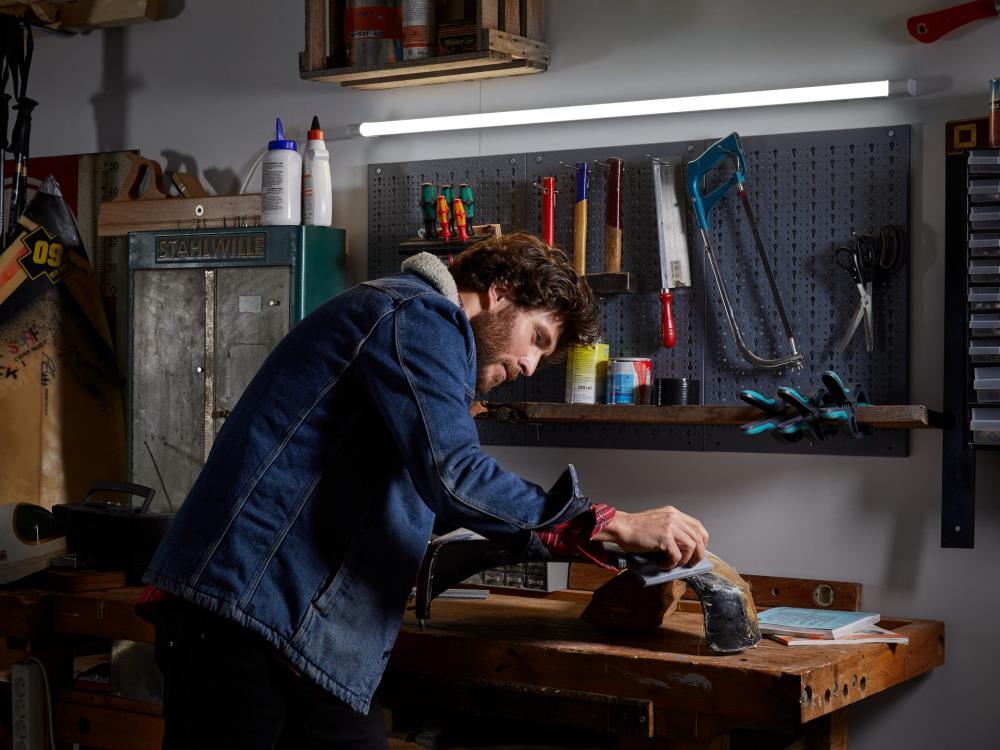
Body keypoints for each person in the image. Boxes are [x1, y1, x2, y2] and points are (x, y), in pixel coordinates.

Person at [140, 232, 709, 750]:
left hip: (291, 630)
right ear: (499, 291)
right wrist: (610, 521)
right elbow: (454, 476)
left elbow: (425, 498)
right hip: (244, 617)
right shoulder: (418, 313)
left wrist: (579, 540)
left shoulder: (410, 328)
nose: (531, 366)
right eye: (536, 337)